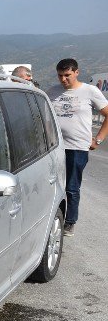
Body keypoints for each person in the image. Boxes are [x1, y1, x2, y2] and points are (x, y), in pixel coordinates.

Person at [46, 58, 108, 236]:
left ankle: (70, 222)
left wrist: (98, 139)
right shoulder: (52, 92)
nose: (63, 79)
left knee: (72, 187)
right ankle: (52, 217)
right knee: (51, 184)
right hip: (54, 147)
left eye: (67, 75)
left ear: (77, 73)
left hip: (77, 148)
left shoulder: (89, 91)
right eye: (60, 76)